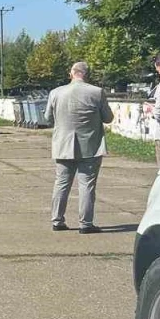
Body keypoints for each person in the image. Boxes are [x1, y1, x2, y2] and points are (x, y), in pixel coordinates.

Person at [45, 61, 115, 234]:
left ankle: (57, 220)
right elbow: (108, 118)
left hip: (63, 145)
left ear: (71, 73)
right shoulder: (97, 92)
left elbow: (48, 118)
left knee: (61, 183)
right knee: (87, 186)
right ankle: (86, 224)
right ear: (86, 74)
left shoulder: (56, 92)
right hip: (90, 146)